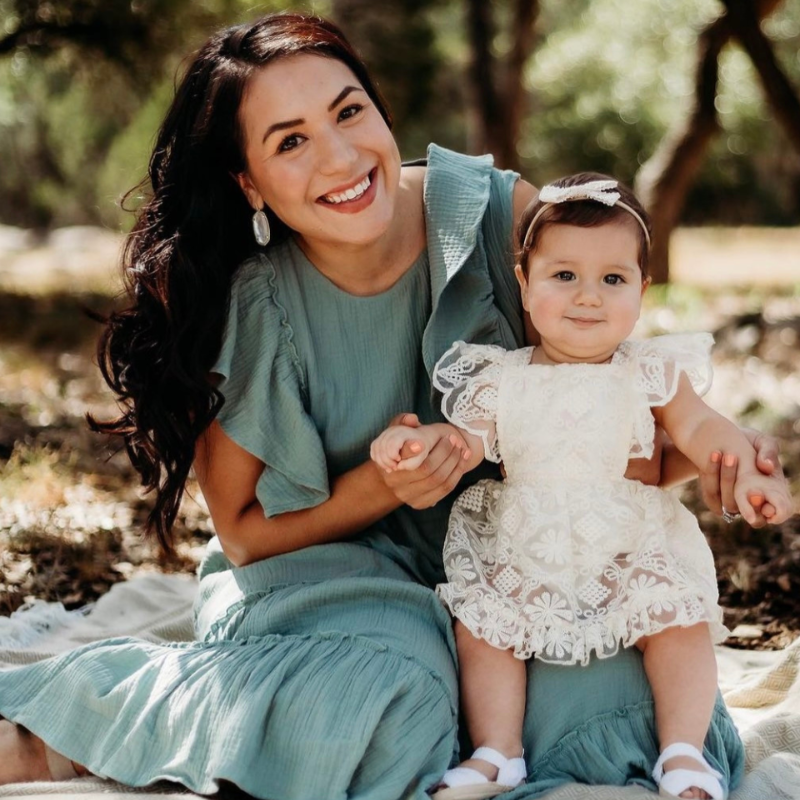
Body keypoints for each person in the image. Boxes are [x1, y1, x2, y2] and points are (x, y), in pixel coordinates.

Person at [0, 12, 785, 800]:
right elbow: (242, 535)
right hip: (330, 577)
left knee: (623, 718)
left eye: (348, 112)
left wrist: (718, 456)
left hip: (519, 567)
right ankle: (72, 723)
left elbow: (621, 427)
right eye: (290, 141)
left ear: (380, 111)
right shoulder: (256, 299)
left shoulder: (503, 218)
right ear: (249, 181)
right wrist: (381, 490)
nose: (340, 156)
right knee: (389, 700)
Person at [370, 173, 794, 800]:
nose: (588, 297)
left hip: (626, 540)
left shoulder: (650, 371)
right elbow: (460, 446)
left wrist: (752, 474)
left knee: (675, 616)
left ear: (643, 292)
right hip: (524, 537)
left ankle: (683, 753)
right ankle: (498, 752)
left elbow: (704, 429)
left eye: (613, 279)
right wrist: (410, 446)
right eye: (564, 276)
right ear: (524, 282)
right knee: (484, 624)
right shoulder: (500, 378)